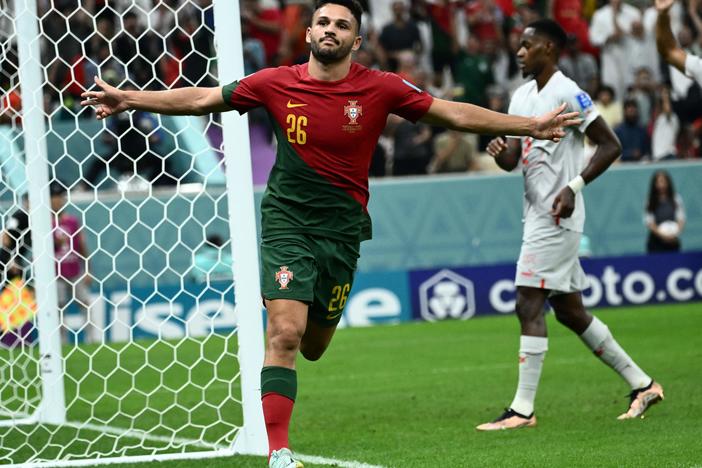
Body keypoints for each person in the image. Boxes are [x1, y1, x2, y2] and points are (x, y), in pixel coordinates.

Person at [80, 1, 581, 465]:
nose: (330, 30)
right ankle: (280, 452)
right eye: (323, 22)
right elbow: (204, 98)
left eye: (342, 25)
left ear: (356, 41)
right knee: (285, 333)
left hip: (341, 232)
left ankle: (297, 317)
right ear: (309, 31)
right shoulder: (276, 82)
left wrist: (526, 126)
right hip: (286, 222)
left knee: (315, 344)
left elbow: (451, 112)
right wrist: (130, 97)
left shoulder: (380, 87)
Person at [477, 19, 663, 432]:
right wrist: (499, 154)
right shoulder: (521, 95)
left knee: (527, 300)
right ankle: (643, 384)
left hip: (557, 216)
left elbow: (610, 144)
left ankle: (522, 409)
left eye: (527, 45)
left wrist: (574, 186)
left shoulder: (567, 92)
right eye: (518, 46)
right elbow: (513, 158)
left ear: (549, 47)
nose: (520, 52)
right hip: (536, 213)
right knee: (570, 311)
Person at [50, 185, 96, 344]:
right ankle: (62, 342)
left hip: (75, 270)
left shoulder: (72, 221)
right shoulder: (44, 223)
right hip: (55, 274)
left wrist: (88, 270)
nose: (57, 202)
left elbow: (82, 246)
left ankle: (92, 340)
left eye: (59, 199)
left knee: (84, 303)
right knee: (59, 307)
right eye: (54, 199)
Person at [656, 0, 702, 84]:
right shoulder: (698, 66)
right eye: (681, 35)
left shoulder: (695, 48)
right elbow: (667, 49)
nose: (684, 36)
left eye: (686, 34)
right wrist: (663, 15)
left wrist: (692, 12)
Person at [645, 170, 685, 252]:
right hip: (656, 242)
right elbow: (650, 223)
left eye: (663, 181)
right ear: (654, 184)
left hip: (673, 240)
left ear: (668, 183)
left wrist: (673, 234)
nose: (661, 185)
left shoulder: (676, 199)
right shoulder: (650, 201)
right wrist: (663, 236)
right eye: (658, 182)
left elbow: (681, 219)